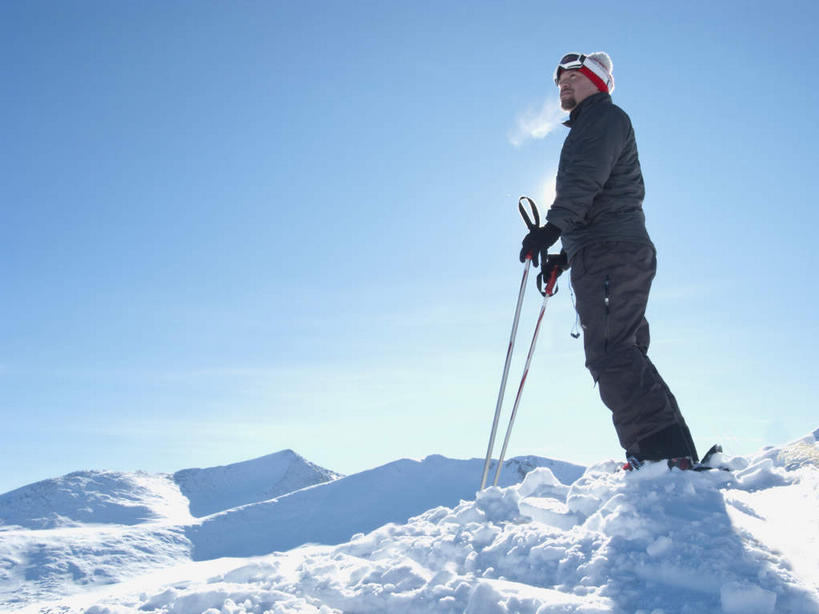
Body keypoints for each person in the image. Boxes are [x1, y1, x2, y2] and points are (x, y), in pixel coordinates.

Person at [519, 51, 698, 466]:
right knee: (625, 350)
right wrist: (565, 254)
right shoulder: (592, 125)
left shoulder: (603, 120)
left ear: (598, 82)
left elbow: (584, 181)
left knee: (611, 352)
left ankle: (660, 457)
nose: (564, 83)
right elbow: (596, 196)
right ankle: (673, 453)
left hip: (610, 251)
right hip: (607, 249)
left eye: (575, 76)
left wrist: (553, 227)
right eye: (560, 79)